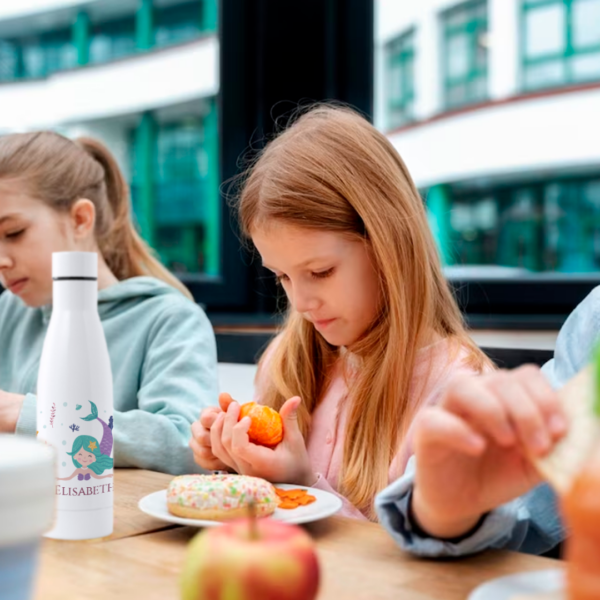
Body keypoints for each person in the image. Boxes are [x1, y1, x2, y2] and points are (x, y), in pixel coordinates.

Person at [190, 104, 492, 520]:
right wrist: (235, 463)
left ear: (389, 245)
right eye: (282, 277)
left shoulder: (459, 394)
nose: (300, 303)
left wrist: (301, 484)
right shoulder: (285, 361)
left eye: (320, 271)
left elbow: (421, 563)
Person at [0, 131, 218, 474]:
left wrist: (27, 416)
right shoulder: (9, 312)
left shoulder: (168, 320)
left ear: (80, 219)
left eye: (13, 233)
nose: (2, 260)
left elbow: (187, 445)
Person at [375, 286, 600, 555]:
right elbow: (525, 491)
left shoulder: (451, 368)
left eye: (322, 271)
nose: (308, 304)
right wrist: (448, 509)